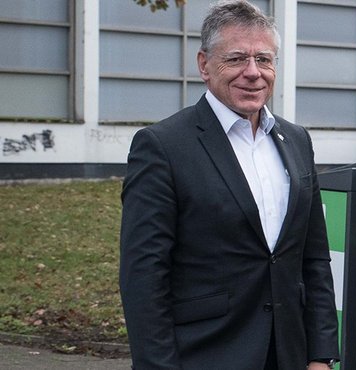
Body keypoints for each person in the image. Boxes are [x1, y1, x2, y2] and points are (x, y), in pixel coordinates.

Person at [118, 1, 338, 369]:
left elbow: (313, 258)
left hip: (288, 354)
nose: (253, 73)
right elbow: (143, 275)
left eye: (264, 60)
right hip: (204, 355)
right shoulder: (163, 146)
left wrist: (321, 354)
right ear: (204, 65)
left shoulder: (297, 140)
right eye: (236, 59)